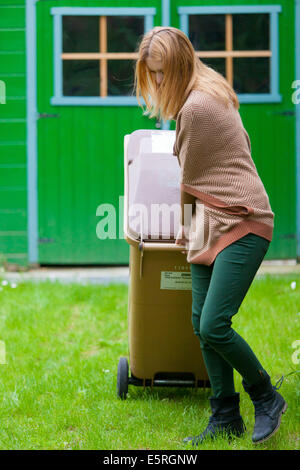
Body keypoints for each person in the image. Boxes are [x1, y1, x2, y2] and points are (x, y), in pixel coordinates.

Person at [134, 26, 287, 446]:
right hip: (210, 220)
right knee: (200, 324)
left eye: (162, 73)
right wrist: (189, 229)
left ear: (181, 65)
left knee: (215, 324)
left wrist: (183, 224)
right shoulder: (206, 85)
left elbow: (186, 178)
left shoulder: (196, 107)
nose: (159, 82)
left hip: (241, 219)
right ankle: (224, 417)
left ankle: (266, 396)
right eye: (153, 73)